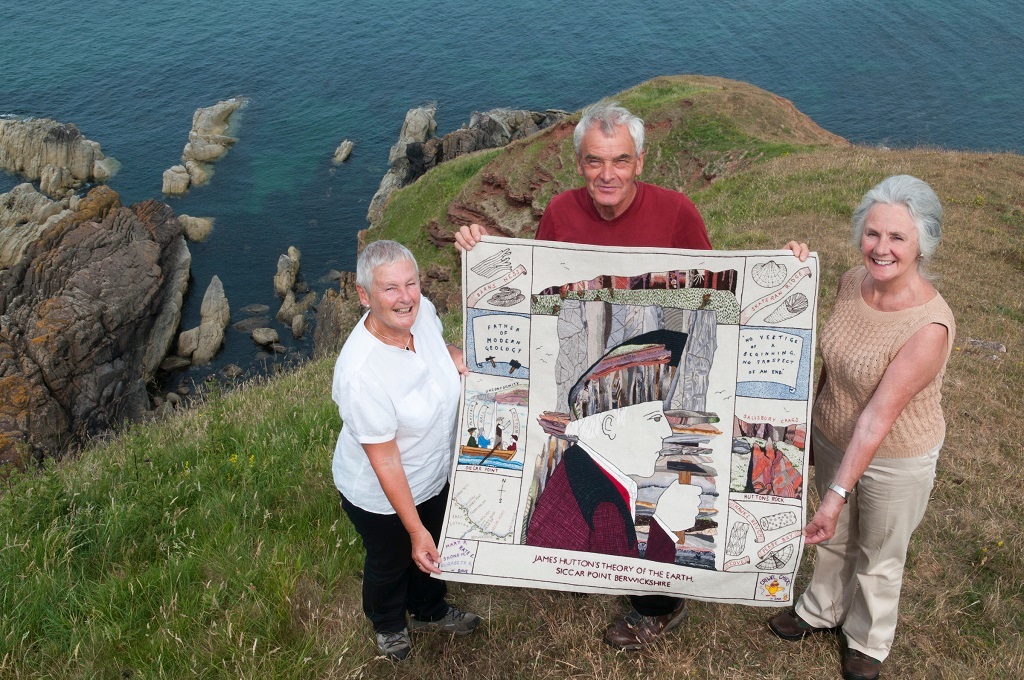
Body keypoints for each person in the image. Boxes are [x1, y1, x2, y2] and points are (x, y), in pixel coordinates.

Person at [456, 101, 809, 650]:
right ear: (580, 164)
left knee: (656, 485)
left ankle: (656, 605)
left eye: (620, 160)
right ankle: (587, 561)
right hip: (596, 375)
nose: (608, 175)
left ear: (639, 161)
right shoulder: (559, 213)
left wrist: (785, 272)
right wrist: (482, 251)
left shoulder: (677, 212)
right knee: (604, 485)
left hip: (655, 373)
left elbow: (719, 292)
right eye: (595, 162)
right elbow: (539, 292)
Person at [766, 176, 955, 680]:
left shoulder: (929, 326)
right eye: (872, 233)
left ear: (923, 245)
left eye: (897, 238)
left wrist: (834, 495)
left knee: (879, 551)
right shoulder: (852, 281)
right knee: (833, 540)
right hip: (833, 434)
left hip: (896, 455)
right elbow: (833, 360)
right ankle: (820, 609)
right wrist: (788, 269)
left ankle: (868, 639)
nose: (881, 248)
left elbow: (876, 418)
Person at [331, 240, 481, 661]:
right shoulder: (362, 372)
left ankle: (430, 610)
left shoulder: (423, 311)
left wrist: (450, 353)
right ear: (364, 296)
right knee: (391, 558)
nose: (406, 297)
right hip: (380, 492)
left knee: (437, 545)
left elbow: (435, 342)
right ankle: (389, 624)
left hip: (434, 471)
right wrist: (413, 530)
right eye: (390, 289)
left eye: (410, 283)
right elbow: (386, 458)